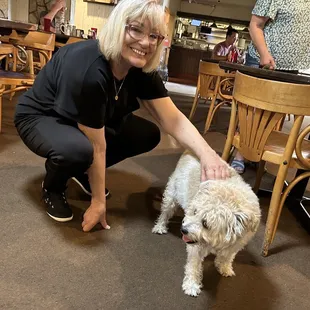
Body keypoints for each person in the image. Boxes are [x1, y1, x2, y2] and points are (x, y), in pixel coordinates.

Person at [14, 0, 230, 232]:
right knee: (79, 150)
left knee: (146, 134)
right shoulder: (90, 70)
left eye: (154, 36)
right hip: (42, 116)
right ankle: (53, 187)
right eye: (136, 29)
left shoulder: (140, 68)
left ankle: (81, 171)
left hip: (85, 119)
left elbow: (173, 119)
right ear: (118, 26)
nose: (145, 42)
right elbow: (97, 145)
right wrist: (99, 202)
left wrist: (208, 154)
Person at [231, 0, 310, 174]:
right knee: (253, 111)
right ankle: (240, 154)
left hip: (291, 67)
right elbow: (255, 25)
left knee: (273, 115)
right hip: (265, 61)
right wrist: (264, 54)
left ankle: (257, 151)